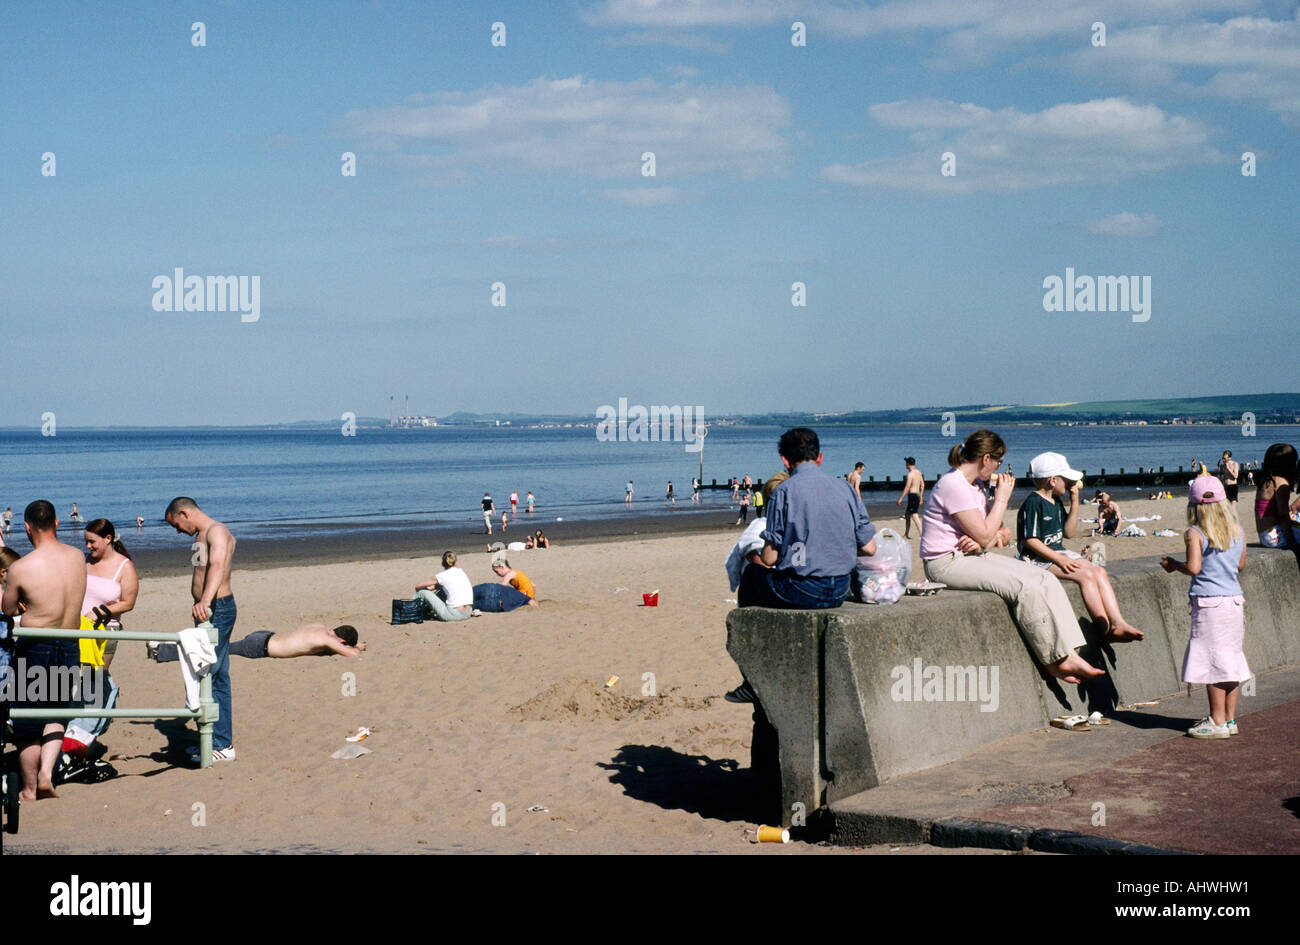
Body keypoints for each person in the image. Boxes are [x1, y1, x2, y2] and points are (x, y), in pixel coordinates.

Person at [921, 431, 1105, 684]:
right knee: (1024, 587)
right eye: (998, 461)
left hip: (973, 555)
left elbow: (994, 534)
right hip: (945, 563)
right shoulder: (953, 485)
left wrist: (993, 534)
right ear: (986, 458)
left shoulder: (975, 486)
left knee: (1043, 578)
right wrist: (1002, 500)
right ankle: (1053, 660)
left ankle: (1071, 651)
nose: (999, 467)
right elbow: (986, 534)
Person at [727, 428, 877, 703]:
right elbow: (870, 547)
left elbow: (770, 559)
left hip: (804, 590)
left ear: (785, 461)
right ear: (819, 457)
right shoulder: (845, 488)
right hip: (841, 587)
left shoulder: (784, 493)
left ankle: (751, 677)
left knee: (751, 577)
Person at [2, 500, 87, 799]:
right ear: (58, 524)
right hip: (69, 641)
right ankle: (45, 775)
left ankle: (27, 788)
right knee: (56, 712)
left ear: (26, 527)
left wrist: (23, 601)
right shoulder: (78, 557)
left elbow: (8, 607)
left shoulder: (22, 567)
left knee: (27, 721)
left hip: (36, 644)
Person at [1017, 453, 1143, 643]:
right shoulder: (1034, 503)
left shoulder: (1055, 501)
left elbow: (1068, 533)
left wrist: (1075, 500)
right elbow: (1031, 541)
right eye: (1066, 480)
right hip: (1037, 558)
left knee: (1099, 571)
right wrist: (1059, 559)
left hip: (1057, 552)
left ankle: (1118, 622)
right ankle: (1105, 628)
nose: (1070, 484)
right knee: (1085, 576)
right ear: (1052, 480)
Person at [1161, 475, 1249, 738]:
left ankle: (1217, 720)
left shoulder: (1195, 532)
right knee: (1230, 659)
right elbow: (1240, 565)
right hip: (1234, 600)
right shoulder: (1238, 530)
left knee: (1213, 661)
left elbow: (1194, 568)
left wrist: (1175, 565)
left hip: (1209, 604)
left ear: (1194, 507)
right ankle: (1230, 719)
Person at [165, 497, 238, 763]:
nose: (177, 531)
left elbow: (217, 565)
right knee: (207, 673)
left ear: (184, 513)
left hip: (217, 608)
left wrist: (205, 601)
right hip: (208, 609)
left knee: (214, 675)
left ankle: (222, 744)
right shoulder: (204, 534)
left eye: (176, 525)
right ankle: (210, 739)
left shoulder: (217, 530)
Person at [62, 519, 140, 763]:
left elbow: (129, 602)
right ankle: (69, 730)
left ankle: (86, 733)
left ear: (108, 539)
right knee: (68, 678)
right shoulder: (84, 561)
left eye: (92, 541)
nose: (88, 546)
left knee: (94, 680)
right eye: (86, 541)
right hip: (75, 629)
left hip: (105, 633)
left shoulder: (124, 567)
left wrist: (103, 611)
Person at [1253, 443, 1300, 549]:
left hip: (1264, 535)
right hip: (1275, 536)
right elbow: (1283, 515)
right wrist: (1291, 542)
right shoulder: (1280, 483)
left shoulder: (1265, 481)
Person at [411, 551, 474, 622]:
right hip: (468, 612)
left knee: (422, 592)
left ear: (443, 564)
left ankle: (410, 611)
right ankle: (425, 609)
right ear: (456, 562)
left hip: (453, 614)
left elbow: (418, 586)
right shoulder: (461, 572)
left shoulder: (442, 576)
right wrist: (434, 588)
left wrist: (423, 591)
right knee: (443, 588)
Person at [897, 457, 925, 539]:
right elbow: (922, 485)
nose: (905, 465)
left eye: (906, 463)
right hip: (916, 495)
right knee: (907, 514)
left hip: (912, 495)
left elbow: (907, 487)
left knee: (914, 515)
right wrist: (921, 497)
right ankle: (906, 534)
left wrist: (901, 498)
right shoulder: (918, 472)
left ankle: (922, 534)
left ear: (908, 464)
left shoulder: (910, 474)